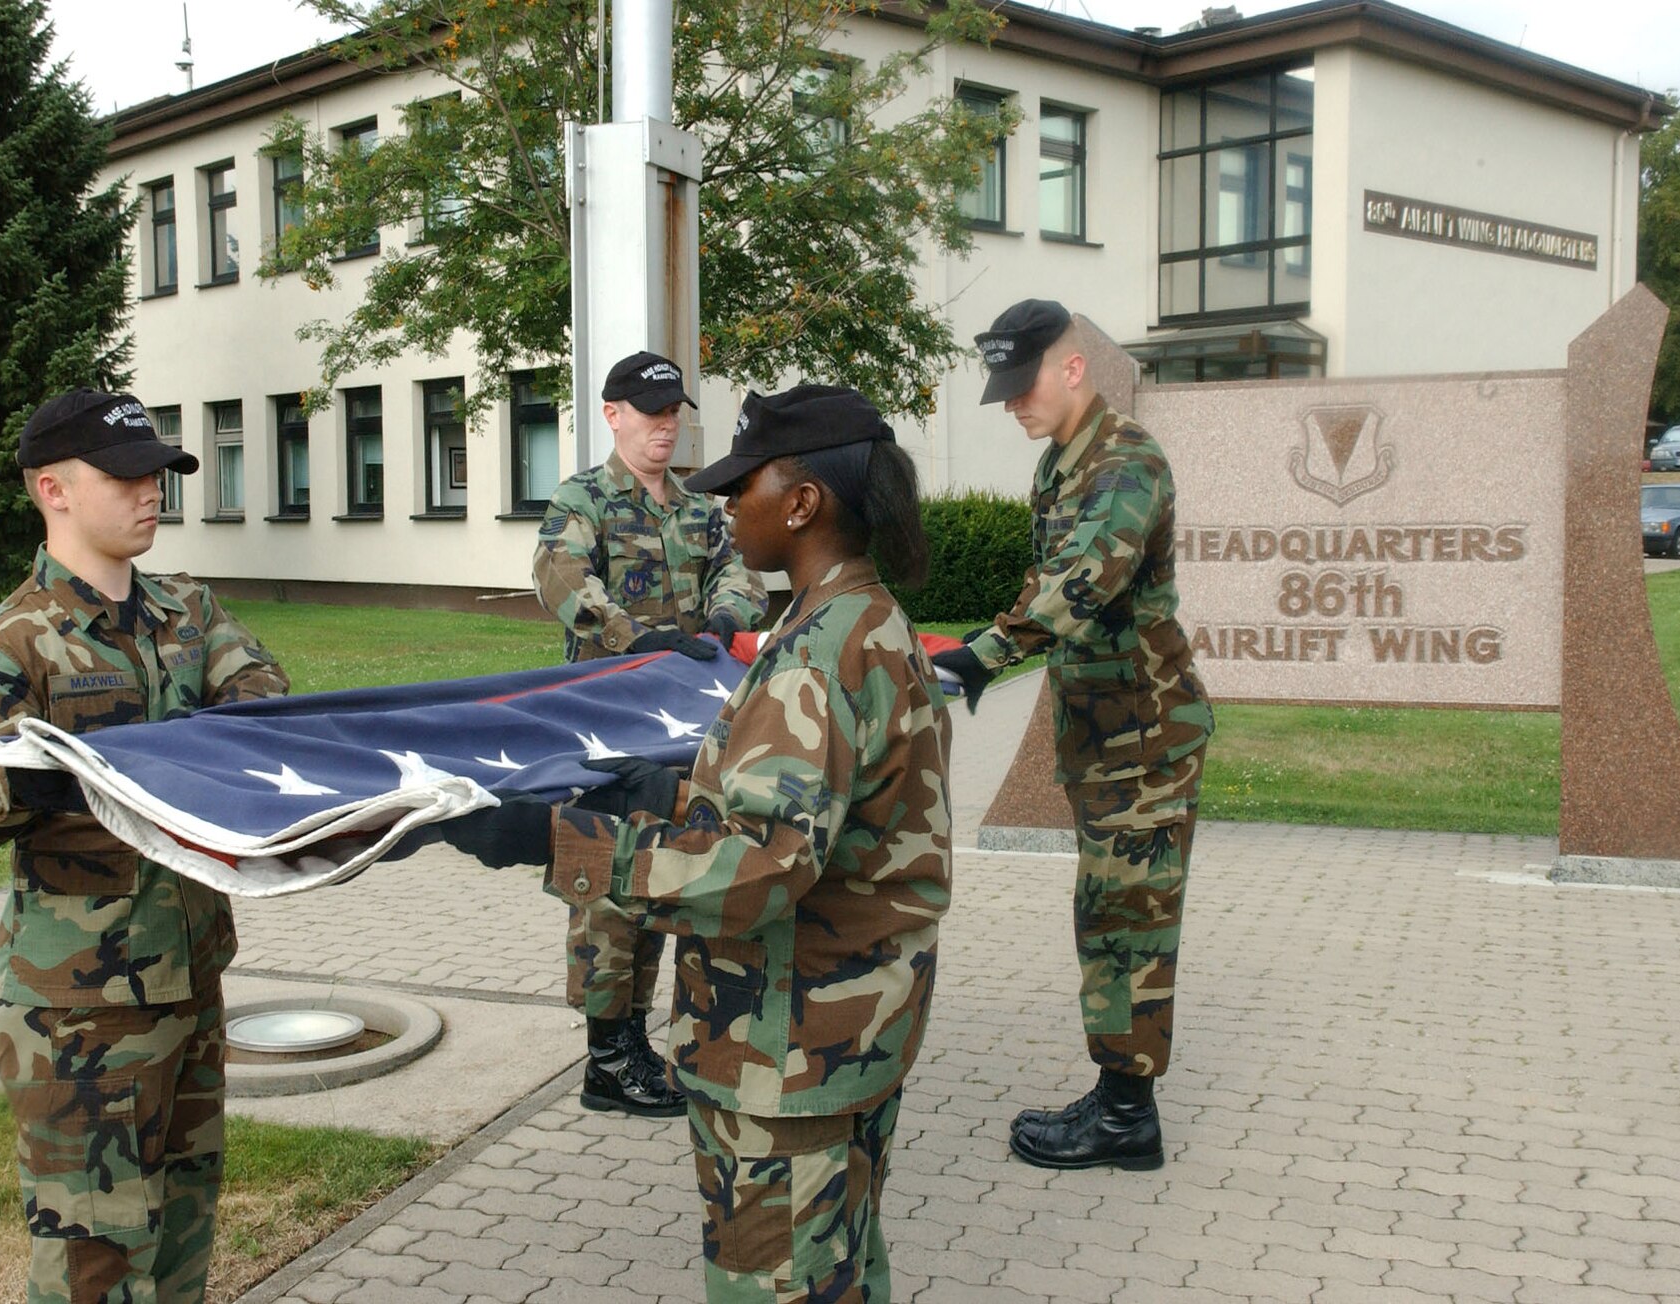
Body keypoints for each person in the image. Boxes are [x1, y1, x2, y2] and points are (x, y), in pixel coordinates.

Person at [453, 385, 951, 1301]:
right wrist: (664, 792)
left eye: (742, 486)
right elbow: (819, 810)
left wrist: (564, 841)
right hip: (852, 1027)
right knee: (840, 1270)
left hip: (786, 1048)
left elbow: (758, 871)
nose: (724, 505)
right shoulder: (865, 621)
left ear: (804, 503)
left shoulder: (814, 654)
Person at [0, 389, 289, 1303]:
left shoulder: (186, 613)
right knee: (94, 1256)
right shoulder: (19, 639)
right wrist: (45, 778)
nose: (150, 491)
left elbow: (267, 702)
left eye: (156, 473)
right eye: (124, 476)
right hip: (78, 1012)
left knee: (185, 1219)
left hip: (190, 975)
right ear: (54, 489)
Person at [932, 299, 1213, 1172]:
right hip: (1106, 732)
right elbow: (1046, 576)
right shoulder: (1063, 463)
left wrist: (982, 658)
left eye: (1024, 385)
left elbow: (1085, 578)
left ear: (1073, 367)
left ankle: (1128, 1118)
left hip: (1145, 736)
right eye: (1004, 390)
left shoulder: (1127, 463)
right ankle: (1119, 1094)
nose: (1013, 404)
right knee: (1107, 918)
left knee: (1128, 922)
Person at [531, 350, 768, 1117]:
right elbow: (560, 575)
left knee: (659, 874)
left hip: (683, 728)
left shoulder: (697, 508)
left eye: (673, 413)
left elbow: (740, 570)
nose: (664, 427)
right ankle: (605, 1056)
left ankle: (634, 1037)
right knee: (603, 882)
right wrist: (632, 636)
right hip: (604, 724)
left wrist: (730, 615)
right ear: (613, 414)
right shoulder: (586, 498)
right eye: (649, 412)